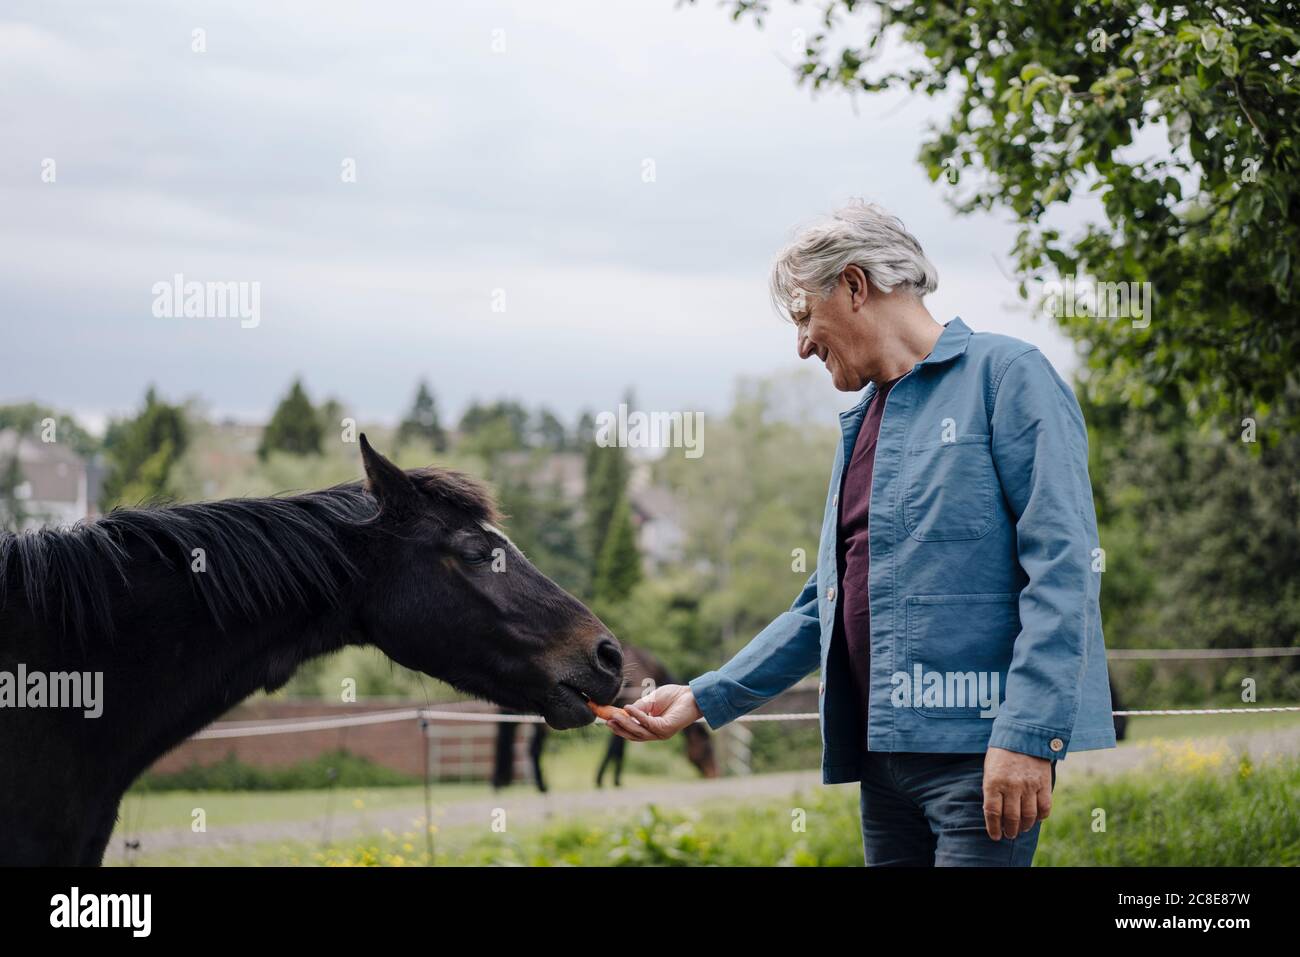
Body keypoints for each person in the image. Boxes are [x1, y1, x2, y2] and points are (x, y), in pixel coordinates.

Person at [605, 200, 1117, 866]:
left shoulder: (1009, 378)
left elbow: (1064, 569)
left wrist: (1027, 734)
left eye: (802, 315)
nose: (801, 343)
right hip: (881, 768)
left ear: (853, 285)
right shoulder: (863, 427)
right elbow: (823, 606)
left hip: (981, 759)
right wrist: (704, 695)